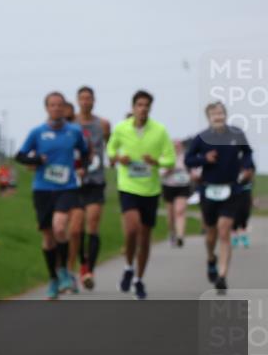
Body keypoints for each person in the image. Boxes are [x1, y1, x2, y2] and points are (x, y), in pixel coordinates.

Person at [16, 92, 89, 299]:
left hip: (67, 187)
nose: (56, 108)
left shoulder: (74, 131)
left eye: (60, 105)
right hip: (42, 189)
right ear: (47, 108)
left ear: (65, 108)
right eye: (52, 105)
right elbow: (20, 155)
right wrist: (37, 160)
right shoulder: (37, 132)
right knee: (48, 237)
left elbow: (85, 152)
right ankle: (53, 278)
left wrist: (82, 167)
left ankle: (65, 271)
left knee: (59, 226)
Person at [105, 90, 175, 300]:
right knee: (132, 229)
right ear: (133, 107)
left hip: (150, 189)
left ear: (150, 108)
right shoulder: (121, 128)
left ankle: (138, 279)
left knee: (145, 239)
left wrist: (156, 162)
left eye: (146, 105)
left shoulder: (160, 131)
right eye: (139, 105)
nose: (143, 108)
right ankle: (128, 267)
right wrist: (119, 158)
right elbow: (110, 150)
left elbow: (170, 159)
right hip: (128, 186)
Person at [184, 102, 256, 293]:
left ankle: (222, 276)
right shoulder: (201, 138)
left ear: (226, 115)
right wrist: (203, 160)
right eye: (215, 114)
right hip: (208, 190)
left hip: (231, 189)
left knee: (224, 231)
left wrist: (247, 167)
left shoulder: (236, 134)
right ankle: (211, 258)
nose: (219, 117)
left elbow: (247, 153)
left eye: (221, 113)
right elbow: (188, 159)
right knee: (211, 233)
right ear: (208, 117)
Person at [68, 86, 111, 290]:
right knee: (75, 230)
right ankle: (80, 263)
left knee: (92, 224)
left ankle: (88, 270)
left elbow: (106, 145)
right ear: (77, 101)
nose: (86, 102)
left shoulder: (103, 124)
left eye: (89, 98)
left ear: (94, 101)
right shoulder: (70, 123)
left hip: (95, 180)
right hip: (75, 182)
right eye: (82, 98)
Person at [161, 139, 192, 248]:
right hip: (169, 186)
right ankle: (172, 233)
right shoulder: (165, 157)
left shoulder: (186, 157)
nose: (177, 147)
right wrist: (169, 169)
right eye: (174, 145)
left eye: (178, 145)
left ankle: (180, 236)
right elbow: (160, 173)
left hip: (183, 186)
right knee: (170, 214)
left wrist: (192, 174)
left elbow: (193, 170)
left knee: (180, 211)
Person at [232, 180, 253, 248]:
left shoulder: (248, 182)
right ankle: (235, 238)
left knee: (244, 218)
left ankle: (244, 237)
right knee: (235, 219)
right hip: (234, 197)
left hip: (245, 196)